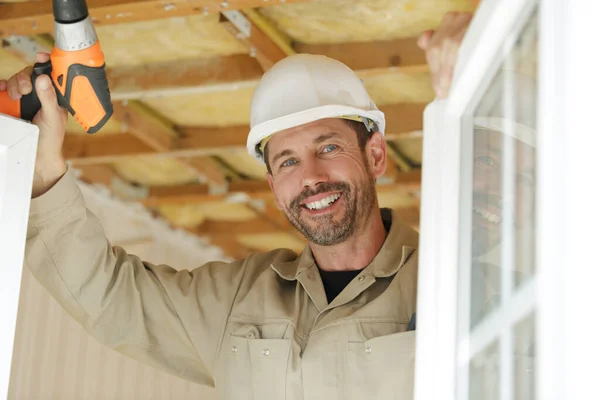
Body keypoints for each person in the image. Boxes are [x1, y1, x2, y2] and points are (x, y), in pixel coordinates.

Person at [2, 12, 472, 400]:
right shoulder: (239, 303)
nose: (309, 177)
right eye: (288, 160)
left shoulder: (453, 281)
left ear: (375, 155)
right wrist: (44, 168)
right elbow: (111, 297)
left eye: (328, 148)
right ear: (272, 183)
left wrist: (491, 75)